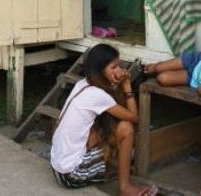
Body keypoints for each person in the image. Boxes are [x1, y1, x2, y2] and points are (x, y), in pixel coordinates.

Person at [50, 43, 157, 196]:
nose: (119, 70)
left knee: (106, 126)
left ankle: (107, 169)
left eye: (119, 66)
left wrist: (119, 84)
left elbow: (116, 107)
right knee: (126, 129)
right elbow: (133, 116)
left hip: (58, 167)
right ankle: (124, 188)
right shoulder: (97, 95)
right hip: (70, 175)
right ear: (100, 71)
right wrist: (127, 86)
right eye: (113, 67)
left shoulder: (83, 84)